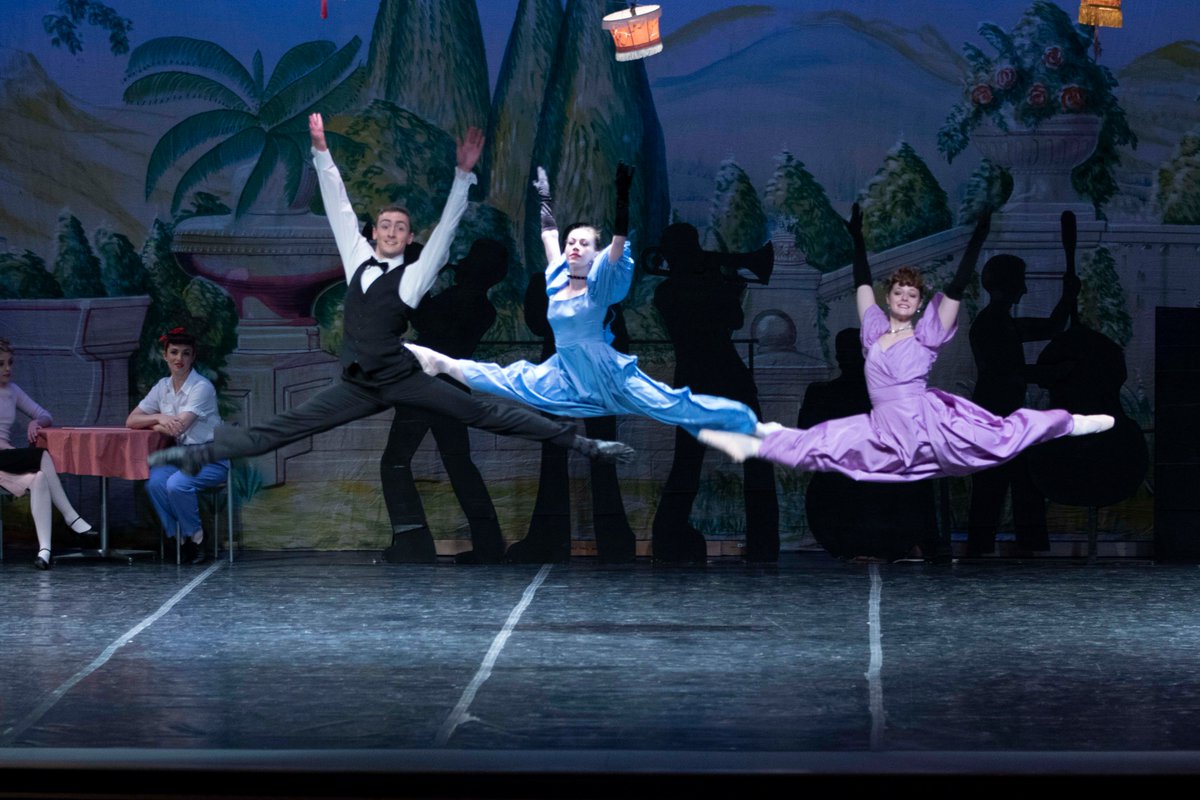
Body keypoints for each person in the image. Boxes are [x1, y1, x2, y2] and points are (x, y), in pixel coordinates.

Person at [150, 114, 634, 552]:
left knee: (485, 413)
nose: (390, 231)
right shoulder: (357, 258)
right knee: (283, 427)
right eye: (384, 224)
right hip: (358, 384)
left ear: (406, 239)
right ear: (375, 231)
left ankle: (587, 445)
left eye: (399, 227)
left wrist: (463, 177)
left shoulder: (413, 276)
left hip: (402, 377)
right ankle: (199, 456)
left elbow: (445, 232)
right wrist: (321, 151)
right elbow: (338, 207)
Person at [696, 205, 1115, 476]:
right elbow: (861, 281)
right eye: (897, 292)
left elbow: (957, 283)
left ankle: (1074, 422)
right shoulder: (874, 327)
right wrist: (856, 239)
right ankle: (742, 437)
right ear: (890, 298)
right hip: (882, 422)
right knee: (815, 445)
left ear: (917, 304)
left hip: (924, 420)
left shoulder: (929, 331)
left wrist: (977, 240)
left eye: (911, 295)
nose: (902, 298)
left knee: (1005, 437)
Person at [407, 165, 774, 443]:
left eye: (584, 244)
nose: (576, 248)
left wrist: (619, 199)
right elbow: (551, 239)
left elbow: (612, 246)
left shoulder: (605, 288)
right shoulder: (565, 282)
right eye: (573, 243)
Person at [650, 222, 779, 563]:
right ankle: (764, 545)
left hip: (693, 378)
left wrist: (719, 284)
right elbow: (732, 319)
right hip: (727, 373)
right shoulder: (698, 286)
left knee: (687, 463)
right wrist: (728, 288)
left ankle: (669, 537)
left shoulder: (665, 292)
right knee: (756, 461)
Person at [378, 238, 508, 564]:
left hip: (427, 389)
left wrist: (416, 273)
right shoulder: (482, 307)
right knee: (459, 464)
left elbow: (423, 320)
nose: (461, 264)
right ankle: (489, 545)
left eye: (469, 259)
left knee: (395, 462)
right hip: (451, 391)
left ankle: (412, 541)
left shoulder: (464, 300)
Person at [966, 252, 1079, 556]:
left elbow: (1052, 328)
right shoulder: (992, 325)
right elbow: (1003, 372)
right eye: (1020, 282)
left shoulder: (1000, 323)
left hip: (1003, 417)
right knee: (998, 485)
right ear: (1006, 285)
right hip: (995, 418)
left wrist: (1069, 296)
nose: (1025, 290)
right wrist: (1048, 373)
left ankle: (1011, 546)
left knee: (1014, 482)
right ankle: (993, 547)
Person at [127, 327, 227, 565]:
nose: (178, 359)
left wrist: (154, 423)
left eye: (185, 353)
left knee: (177, 484)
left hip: (211, 455)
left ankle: (198, 536)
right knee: (155, 483)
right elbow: (132, 420)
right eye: (174, 352)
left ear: (193, 357)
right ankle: (179, 538)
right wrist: (160, 418)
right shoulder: (162, 386)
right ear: (165, 355)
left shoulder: (201, 387)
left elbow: (179, 428)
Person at [0, 338, 95, 569]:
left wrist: (36, 423)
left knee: (40, 478)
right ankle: (70, 515)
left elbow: (45, 415)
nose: (7, 368)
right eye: (1, 364)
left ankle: (44, 551)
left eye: (10, 363)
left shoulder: (12, 391)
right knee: (40, 455)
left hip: (5, 459)